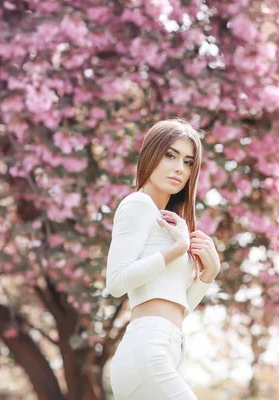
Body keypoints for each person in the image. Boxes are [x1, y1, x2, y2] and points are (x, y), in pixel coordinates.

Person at [106, 118, 221, 399]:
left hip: (168, 346)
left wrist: (209, 274)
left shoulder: (169, 221)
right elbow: (116, 281)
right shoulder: (137, 204)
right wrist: (177, 249)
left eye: (188, 161)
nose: (180, 168)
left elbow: (176, 307)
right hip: (148, 347)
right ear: (150, 156)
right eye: (170, 155)